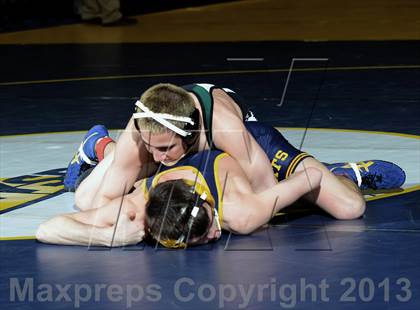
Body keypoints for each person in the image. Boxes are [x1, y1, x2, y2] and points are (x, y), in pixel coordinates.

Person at [37, 122, 405, 247]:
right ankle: (99, 144)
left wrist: (319, 178)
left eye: (209, 226)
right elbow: (47, 228)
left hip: (247, 147)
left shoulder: (240, 212)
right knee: (87, 202)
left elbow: (308, 178)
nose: (214, 236)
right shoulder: (136, 212)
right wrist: (107, 237)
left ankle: (345, 172)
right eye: (200, 238)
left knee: (348, 207)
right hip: (168, 163)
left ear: (209, 204)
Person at [64, 83, 278, 212]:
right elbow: (101, 201)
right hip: (174, 127)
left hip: (219, 123)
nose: (157, 157)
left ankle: (105, 148)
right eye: (150, 147)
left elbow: (266, 189)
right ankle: (99, 144)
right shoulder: (138, 132)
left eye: (166, 147)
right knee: (84, 199)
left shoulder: (225, 127)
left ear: (190, 133)